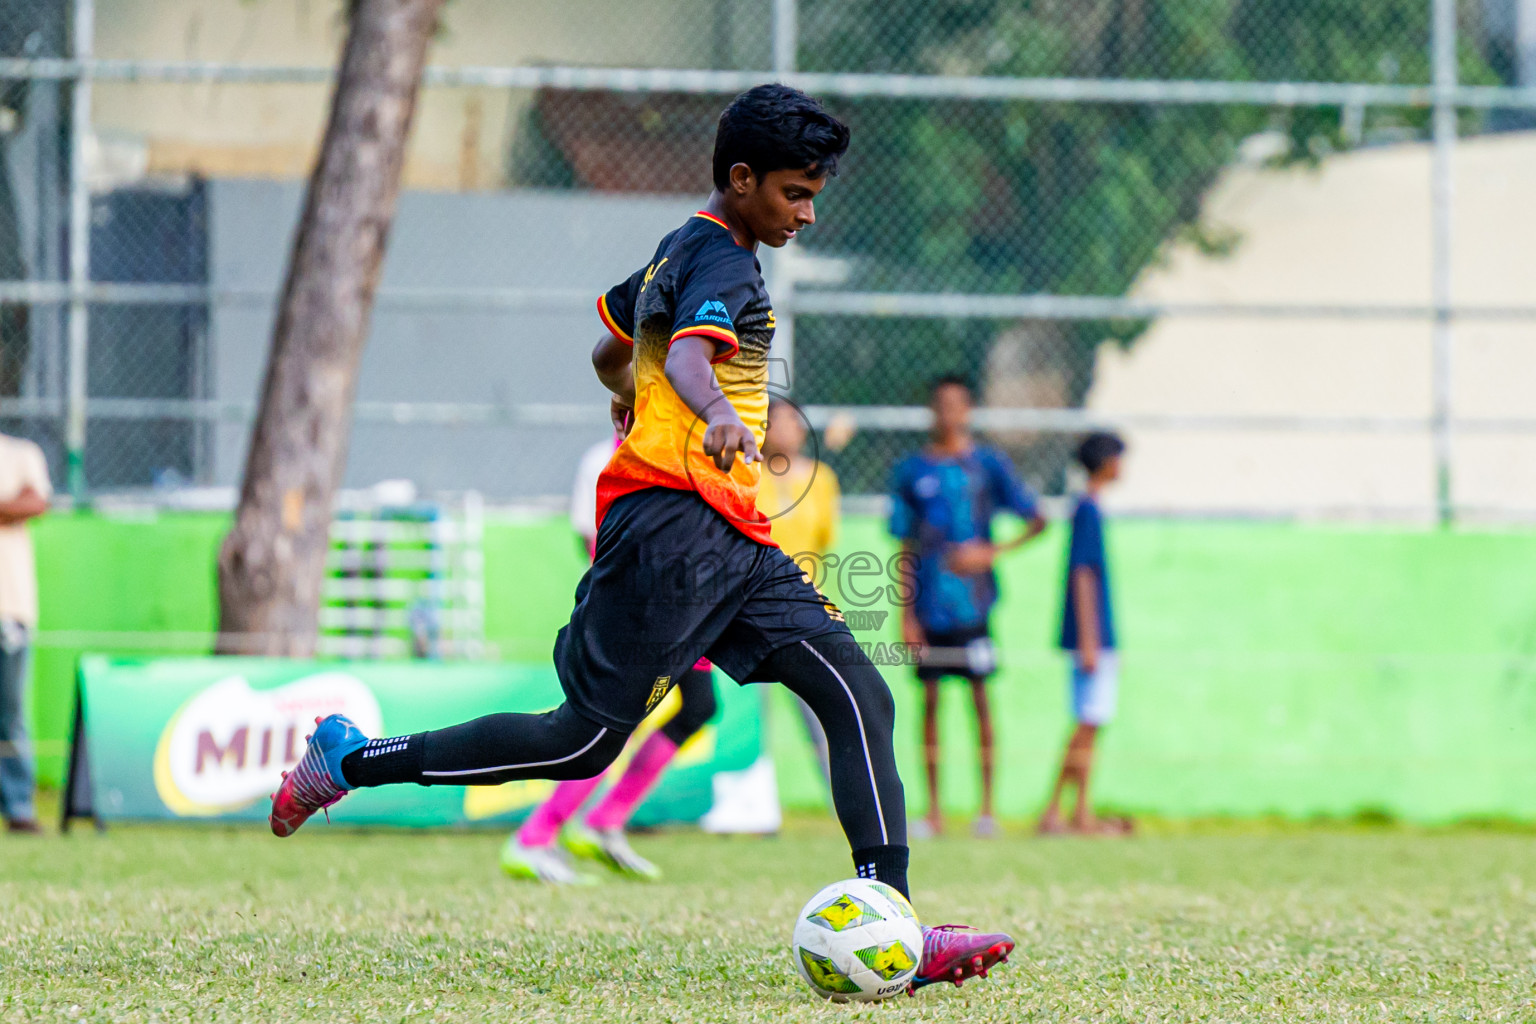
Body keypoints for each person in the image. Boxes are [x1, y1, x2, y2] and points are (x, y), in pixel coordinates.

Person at [269, 85, 1013, 992]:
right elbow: (696, 357)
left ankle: (892, 919)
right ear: (742, 180)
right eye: (794, 194)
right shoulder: (725, 266)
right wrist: (710, 415)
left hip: (730, 538)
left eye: (815, 194)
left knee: (858, 693)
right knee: (577, 743)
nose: (807, 213)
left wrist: (633, 391)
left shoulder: (684, 244)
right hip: (670, 528)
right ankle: (349, 757)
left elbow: (608, 349)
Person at [500, 430, 720, 884]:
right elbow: (595, 541)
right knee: (615, 719)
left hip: (684, 604)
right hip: (642, 608)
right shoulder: (605, 458)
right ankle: (535, 837)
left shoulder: (684, 448)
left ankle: (603, 820)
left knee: (698, 705)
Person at [890, 376, 1046, 839]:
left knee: (980, 702)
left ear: (969, 409)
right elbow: (904, 546)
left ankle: (986, 809)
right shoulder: (912, 471)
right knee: (931, 703)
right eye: (941, 405)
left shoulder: (987, 466)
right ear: (931, 410)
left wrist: (991, 552)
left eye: (958, 405)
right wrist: (907, 614)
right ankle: (934, 811)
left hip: (974, 608)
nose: (949, 413)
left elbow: (1037, 519)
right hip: (930, 608)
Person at [1039, 431, 1129, 836]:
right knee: (1087, 722)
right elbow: (1083, 574)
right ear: (1107, 462)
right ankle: (1058, 811)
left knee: (1091, 722)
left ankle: (1077, 811)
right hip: (1092, 637)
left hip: (1094, 636)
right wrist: (1090, 638)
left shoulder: (1087, 508)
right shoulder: (1087, 510)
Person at [757, 397, 840, 787]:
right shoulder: (747, 474)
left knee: (822, 707)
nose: (796, 429)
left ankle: (846, 800)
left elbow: (824, 540)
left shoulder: (821, 478)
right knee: (754, 712)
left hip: (803, 609)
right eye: (787, 420)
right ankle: (754, 800)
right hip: (750, 609)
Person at [0, 432, 48, 834]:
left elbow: (35, 501)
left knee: (10, 712)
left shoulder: (19, 452)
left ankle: (18, 806)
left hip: (8, 606)